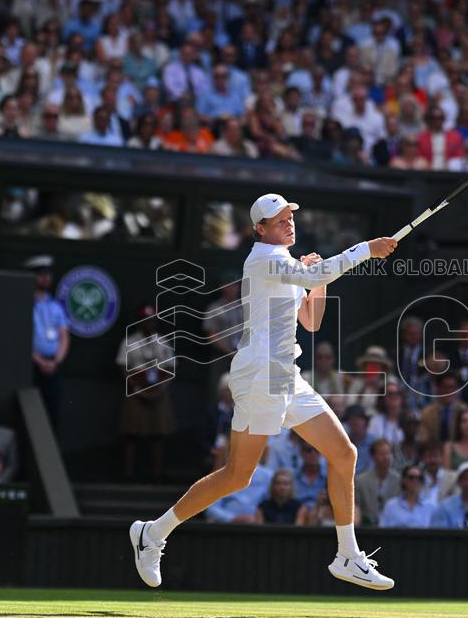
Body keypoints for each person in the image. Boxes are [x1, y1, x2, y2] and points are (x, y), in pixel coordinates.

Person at [131, 193, 399, 591]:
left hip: (285, 375)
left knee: (345, 453)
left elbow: (310, 321)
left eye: (289, 215)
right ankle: (152, 534)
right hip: (261, 375)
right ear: (260, 229)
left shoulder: (286, 265)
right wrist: (365, 250)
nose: (288, 222)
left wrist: (318, 281)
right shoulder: (261, 259)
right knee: (238, 475)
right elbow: (312, 277)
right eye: (278, 220)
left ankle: (347, 555)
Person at [118, 305, 176, 483]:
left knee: (158, 434)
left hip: (158, 392)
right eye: (146, 320)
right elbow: (122, 366)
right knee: (132, 433)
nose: (149, 323)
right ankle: (129, 473)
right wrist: (136, 387)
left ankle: (157, 473)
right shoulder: (129, 342)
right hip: (136, 392)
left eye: (152, 320)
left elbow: (171, 368)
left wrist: (161, 388)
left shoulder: (163, 342)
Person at [26, 255, 69, 431]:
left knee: (53, 411)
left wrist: (56, 361)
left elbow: (64, 336)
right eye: (41, 274)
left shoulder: (55, 306)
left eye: (48, 274)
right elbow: (21, 337)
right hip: (32, 365)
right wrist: (39, 360)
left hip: (53, 365)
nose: (46, 277)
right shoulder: (25, 302)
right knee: (32, 412)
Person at [354, 439, 400, 526]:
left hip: (392, 528)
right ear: (373, 456)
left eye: (388, 453)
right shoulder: (360, 481)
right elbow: (356, 507)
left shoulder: (399, 480)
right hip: (367, 529)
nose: (386, 457)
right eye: (382, 454)